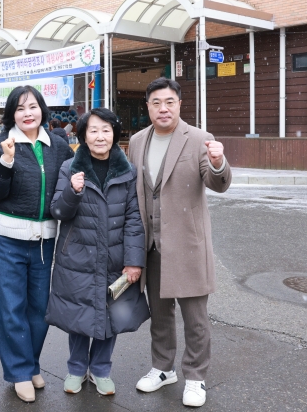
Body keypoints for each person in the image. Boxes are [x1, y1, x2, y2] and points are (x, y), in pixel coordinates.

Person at [127, 77, 230, 408]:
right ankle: (162, 367)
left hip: (187, 245)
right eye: (156, 103)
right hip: (151, 245)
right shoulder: (139, 141)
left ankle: (196, 376)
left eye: (169, 101)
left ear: (179, 104)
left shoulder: (199, 138)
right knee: (159, 314)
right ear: (148, 107)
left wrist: (217, 162)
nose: (163, 108)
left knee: (195, 318)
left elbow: (217, 182)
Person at [0, 86, 74, 403]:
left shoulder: (58, 147)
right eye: (20, 109)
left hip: (45, 240)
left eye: (32, 106)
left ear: (42, 110)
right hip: (7, 239)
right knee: (11, 307)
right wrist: (6, 160)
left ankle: (31, 363)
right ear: (12, 115)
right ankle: (19, 371)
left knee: (39, 309)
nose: (27, 113)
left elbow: (77, 175)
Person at [47, 107, 148, 396]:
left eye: (106, 130)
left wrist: (133, 261)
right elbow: (57, 211)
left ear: (114, 134)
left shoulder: (128, 172)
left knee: (110, 316)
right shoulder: (69, 168)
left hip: (115, 259)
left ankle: (101, 369)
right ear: (83, 135)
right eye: (93, 130)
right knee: (79, 316)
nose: (100, 136)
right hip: (77, 258)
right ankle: (76, 369)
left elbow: (134, 220)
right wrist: (72, 192)